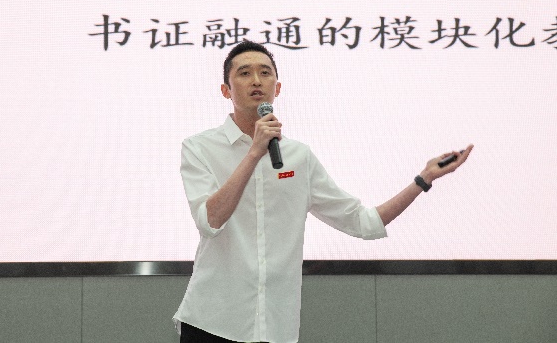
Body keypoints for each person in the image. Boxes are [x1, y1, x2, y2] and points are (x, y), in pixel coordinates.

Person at [173, 40, 473, 343]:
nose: (256, 81)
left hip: (274, 327)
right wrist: (254, 153)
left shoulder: (298, 157)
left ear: (278, 88)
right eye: (244, 73)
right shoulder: (199, 148)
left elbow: (363, 222)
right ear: (225, 90)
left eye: (265, 73)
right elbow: (210, 221)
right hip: (212, 323)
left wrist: (423, 179)